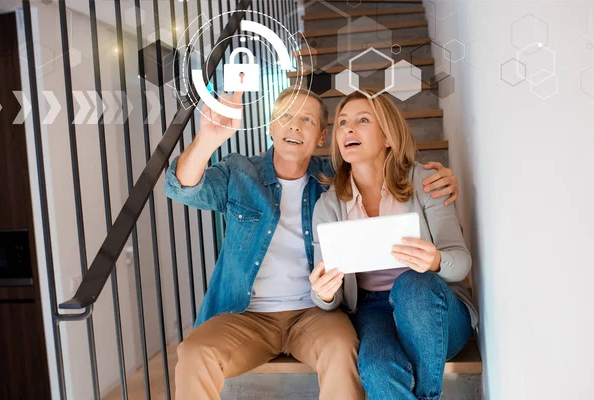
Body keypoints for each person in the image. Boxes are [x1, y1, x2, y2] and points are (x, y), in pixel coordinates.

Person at [164, 87, 460, 399]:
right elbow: (181, 188)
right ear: (270, 127)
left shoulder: (335, 180)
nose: (294, 125)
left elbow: (380, 165)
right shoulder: (240, 173)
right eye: (286, 117)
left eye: (306, 119)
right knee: (194, 352)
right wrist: (208, 139)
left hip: (316, 314)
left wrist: (438, 176)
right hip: (245, 315)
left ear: (321, 137)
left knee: (342, 349)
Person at [309, 90, 478, 400]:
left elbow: (461, 263)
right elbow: (328, 301)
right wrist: (322, 292)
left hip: (435, 309)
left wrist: (436, 261)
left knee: (412, 284)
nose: (348, 129)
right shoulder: (328, 206)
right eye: (343, 122)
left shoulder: (427, 182)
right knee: (376, 367)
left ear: (387, 135)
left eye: (362, 120)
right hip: (372, 309)